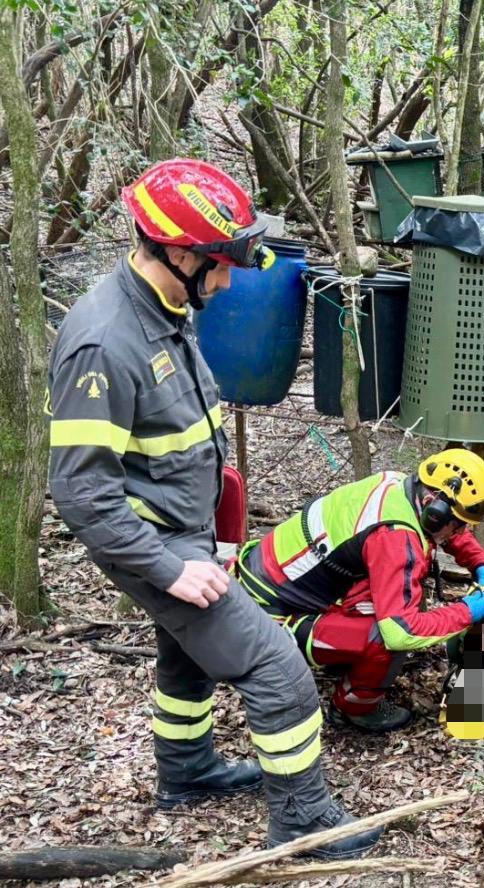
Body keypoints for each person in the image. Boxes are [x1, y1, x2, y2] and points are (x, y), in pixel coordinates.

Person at [47, 159, 379, 857]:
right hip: (149, 543)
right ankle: (304, 821)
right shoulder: (103, 342)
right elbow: (81, 489)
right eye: (220, 264)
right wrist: (169, 569)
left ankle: (188, 772)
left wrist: (217, 532)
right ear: (175, 250)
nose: (227, 280)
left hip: (185, 531)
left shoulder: (166, 307)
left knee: (187, 655)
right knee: (279, 673)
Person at [235, 450, 484, 732]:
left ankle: (338, 655)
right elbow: (401, 631)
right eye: (457, 524)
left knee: (396, 596)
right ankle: (355, 708)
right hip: (268, 618)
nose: (460, 531)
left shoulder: (398, 486)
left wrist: (478, 560)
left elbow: (438, 529)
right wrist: (466, 612)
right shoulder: (397, 537)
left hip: (272, 581)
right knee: (384, 635)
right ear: (433, 509)